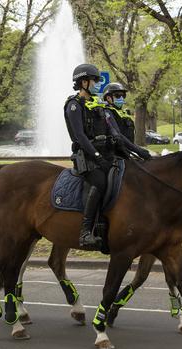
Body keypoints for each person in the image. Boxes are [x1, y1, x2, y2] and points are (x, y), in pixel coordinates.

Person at [64, 64, 151, 250]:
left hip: (106, 154)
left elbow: (114, 133)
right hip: (86, 156)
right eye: (94, 80)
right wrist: (96, 156)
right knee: (99, 182)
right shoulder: (74, 105)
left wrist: (136, 151)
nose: (97, 84)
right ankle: (86, 232)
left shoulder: (99, 105)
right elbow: (79, 136)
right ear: (83, 82)